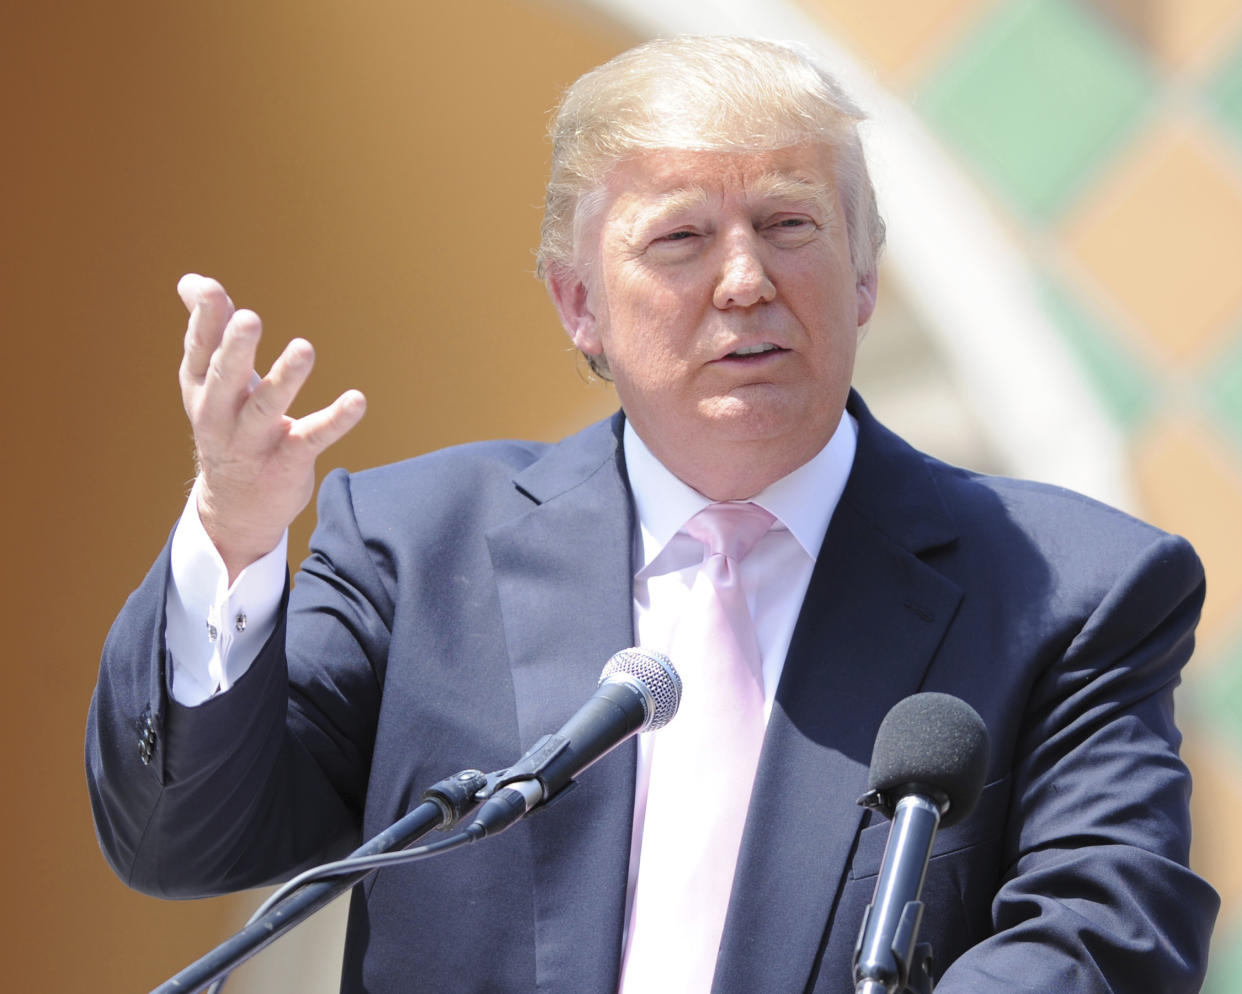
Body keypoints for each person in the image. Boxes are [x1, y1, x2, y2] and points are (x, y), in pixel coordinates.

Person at [86, 35, 1218, 993]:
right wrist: (233, 535)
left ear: (866, 272)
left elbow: (1103, 936)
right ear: (579, 303)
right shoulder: (414, 545)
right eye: (681, 238)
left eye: (790, 225)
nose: (743, 282)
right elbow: (185, 840)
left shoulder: (1071, 590)